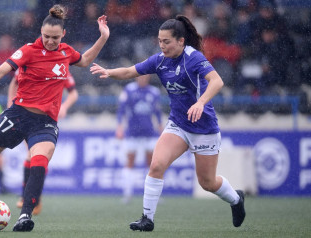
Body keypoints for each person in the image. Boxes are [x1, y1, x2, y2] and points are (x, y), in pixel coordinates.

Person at [0, 5, 109, 232]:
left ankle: (25, 215)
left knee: (39, 160)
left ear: (63, 35)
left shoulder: (66, 52)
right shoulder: (28, 50)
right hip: (18, 115)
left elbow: (85, 60)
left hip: (45, 122)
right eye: (46, 36)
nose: (49, 41)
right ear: (40, 32)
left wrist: (103, 37)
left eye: (55, 37)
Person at [90, 15, 245, 232]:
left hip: (204, 128)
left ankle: (236, 200)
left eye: (167, 41)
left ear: (181, 41)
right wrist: (108, 72)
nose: (162, 46)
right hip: (178, 125)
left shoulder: (194, 57)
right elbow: (129, 71)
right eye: (160, 41)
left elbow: (217, 81)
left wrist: (201, 103)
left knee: (207, 183)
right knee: (156, 165)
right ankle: (147, 219)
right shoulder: (159, 60)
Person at [8, 70, 79, 214]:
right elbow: (14, 83)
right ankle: (32, 198)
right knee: (33, 156)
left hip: (45, 121)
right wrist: (11, 105)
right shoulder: (30, 61)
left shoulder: (60, 67)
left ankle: (29, 197)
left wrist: (64, 107)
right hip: (24, 116)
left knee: (35, 157)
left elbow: (74, 93)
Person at [116, 74, 163, 204]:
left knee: (153, 164)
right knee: (130, 161)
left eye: (145, 76)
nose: (142, 78)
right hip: (132, 132)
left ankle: (153, 195)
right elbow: (121, 110)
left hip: (149, 132)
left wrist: (160, 126)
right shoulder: (129, 90)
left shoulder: (154, 92)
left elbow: (157, 111)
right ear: (136, 77)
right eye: (140, 76)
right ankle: (127, 193)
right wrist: (119, 127)